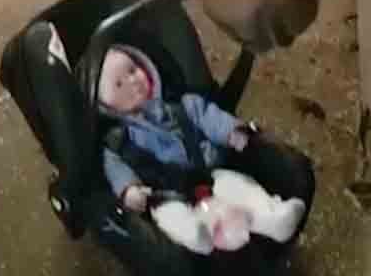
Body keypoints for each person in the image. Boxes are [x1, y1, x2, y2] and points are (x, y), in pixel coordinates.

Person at [97, 43, 307, 254]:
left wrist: (232, 131)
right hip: (165, 194)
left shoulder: (182, 104)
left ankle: (272, 218)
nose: (132, 81)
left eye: (133, 70)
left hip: (210, 173)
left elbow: (210, 118)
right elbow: (115, 167)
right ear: (107, 105)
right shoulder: (119, 140)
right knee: (172, 218)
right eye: (118, 84)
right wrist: (128, 189)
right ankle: (197, 235)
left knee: (240, 186)